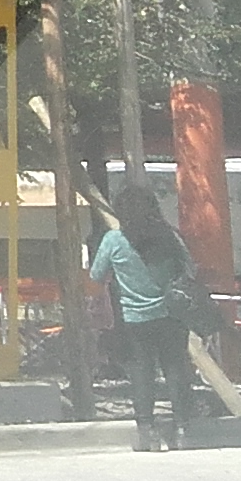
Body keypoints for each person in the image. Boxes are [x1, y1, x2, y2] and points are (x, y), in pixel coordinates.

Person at [92, 182, 204, 449]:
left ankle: (148, 433)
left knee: (142, 373)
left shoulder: (114, 240)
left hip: (135, 319)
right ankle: (182, 431)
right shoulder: (170, 235)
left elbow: (96, 275)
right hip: (172, 315)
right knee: (176, 369)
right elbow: (191, 268)